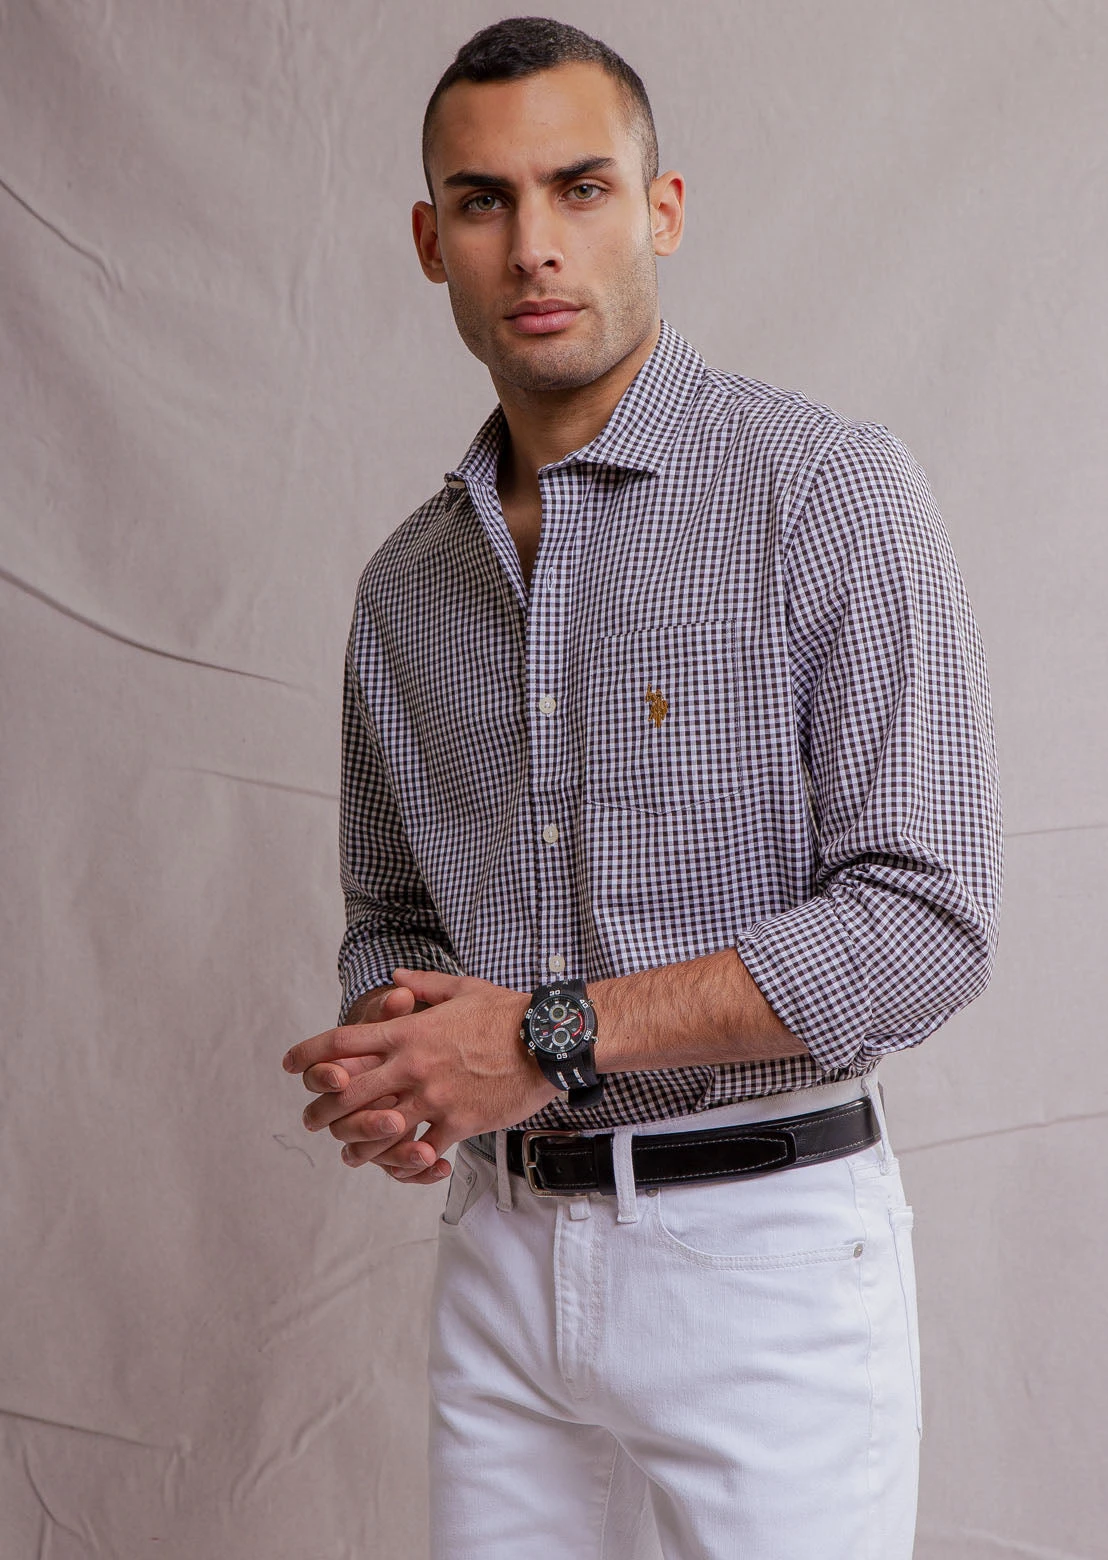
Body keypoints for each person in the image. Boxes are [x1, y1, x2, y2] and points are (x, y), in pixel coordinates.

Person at [282, 16, 1003, 1559]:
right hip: (500, 1262)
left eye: (582, 187)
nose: (535, 244)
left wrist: (540, 1038)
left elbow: (924, 925)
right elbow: (392, 913)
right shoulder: (407, 588)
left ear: (661, 211)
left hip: (765, 1272)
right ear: (430, 242)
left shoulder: (824, 495)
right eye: (484, 201)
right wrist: (402, 1059)